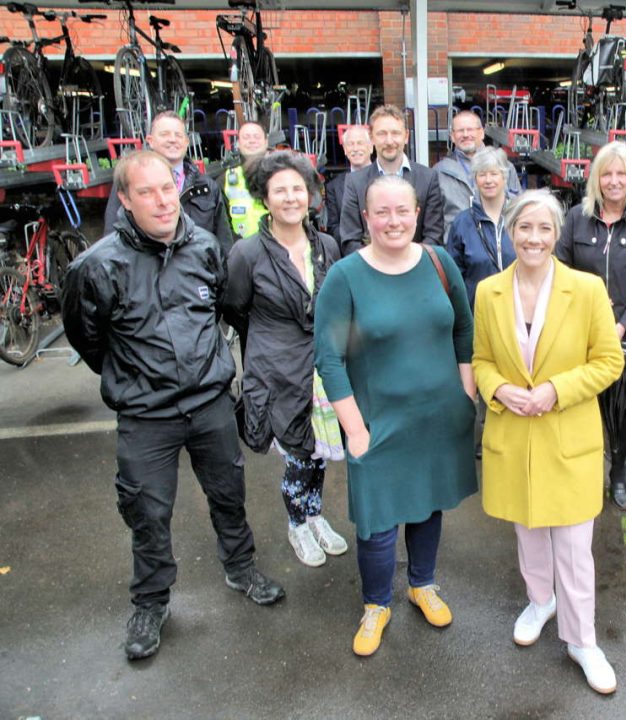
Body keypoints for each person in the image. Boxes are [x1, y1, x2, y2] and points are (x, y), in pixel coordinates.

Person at [61, 150, 285, 662]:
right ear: (125, 200)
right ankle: (151, 602)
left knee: (229, 492)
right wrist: (135, 378)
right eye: (147, 192)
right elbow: (87, 339)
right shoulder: (97, 267)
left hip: (209, 404)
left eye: (167, 188)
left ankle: (240, 567)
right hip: (146, 416)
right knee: (146, 512)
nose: (162, 201)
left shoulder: (206, 246)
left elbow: (225, 310)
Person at [314, 175, 477, 657]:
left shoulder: (437, 261)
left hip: (438, 417)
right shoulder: (345, 276)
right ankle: (376, 604)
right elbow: (329, 359)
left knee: (428, 505)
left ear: (417, 214)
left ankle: (422, 584)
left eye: (402, 211)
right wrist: (356, 430)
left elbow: (463, 330)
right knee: (378, 522)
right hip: (378, 423)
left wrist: (465, 394)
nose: (393, 221)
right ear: (366, 218)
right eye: (381, 212)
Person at [473, 189, 625, 695]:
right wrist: (500, 389)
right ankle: (541, 601)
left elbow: (609, 361)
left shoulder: (585, 289)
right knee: (528, 533)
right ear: (510, 232)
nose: (533, 238)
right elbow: (481, 362)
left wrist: (556, 391)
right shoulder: (489, 291)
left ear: (557, 234)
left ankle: (582, 640)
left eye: (543, 229)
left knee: (576, 549)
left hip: (568, 438)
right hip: (514, 437)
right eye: (524, 228)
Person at [223, 150, 347, 568]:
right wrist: (268, 344)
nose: (291, 197)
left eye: (298, 188)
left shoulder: (327, 245)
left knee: (318, 453)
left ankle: (315, 514)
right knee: (296, 457)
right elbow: (236, 309)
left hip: (321, 371)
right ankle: (297, 522)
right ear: (265, 197)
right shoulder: (247, 252)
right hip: (277, 373)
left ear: (311, 194)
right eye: (280, 190)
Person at [556, 140, 626, 511]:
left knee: (620, 411)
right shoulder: (576, 217)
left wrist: (619, 326)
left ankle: (617, 474)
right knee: (578, 405)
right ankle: (580, 473)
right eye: (607, 173)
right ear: (596, 179)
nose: (614, 181)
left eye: (621, 173)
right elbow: (561, 271)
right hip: (580, 334)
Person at [103, 111, 232, 252]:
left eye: (178, 135)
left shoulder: (207, 187)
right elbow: (112, 239)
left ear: (186, 142)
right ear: (150, 141)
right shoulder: (131, 182)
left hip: (196, 271)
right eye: (165, 134)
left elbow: (223, 244)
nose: (172, 139)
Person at [337, 104, 444, 254]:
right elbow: (349, 240)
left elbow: (434, 236)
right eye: (382, 134)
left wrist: (407, 263)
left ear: (406, 136)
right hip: (371, 273)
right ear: (372, 137)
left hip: (416, 270)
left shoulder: (428, 178)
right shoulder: (355, 182)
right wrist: (380, 264)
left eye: (395, 133)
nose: (389, 141)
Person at [445, 146, 516, 307]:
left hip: (517, 313)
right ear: (475, 179)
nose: (488, 180)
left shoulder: (520, 219)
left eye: (494, 173)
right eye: (482, 174)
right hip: (476, 313)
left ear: (504, 177)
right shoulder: (462, 223)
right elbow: (454, 279)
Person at [435, 109, 521, 237]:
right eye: (460, 131)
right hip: (458, 247)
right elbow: (435, 219)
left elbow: (518, 208)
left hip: (500, 244)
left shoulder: (505, 167)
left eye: (470, 129)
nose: (465, 134)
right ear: (452, 136)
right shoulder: (439, 171)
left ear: (481, 132)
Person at [324, 124, 373, 241]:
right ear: (345, 150)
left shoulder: (386, 178)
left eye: (360, 143)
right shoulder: (333, 186)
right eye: (351, 144)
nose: (355, 148)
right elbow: (333, 227)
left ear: (371, 147)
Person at [223, 121, 271, 240]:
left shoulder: (282, 173)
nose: (252, 141)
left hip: (278, 247)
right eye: (246, 137)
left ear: (266, 142)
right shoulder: (227, 178)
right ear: (238, 143)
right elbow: (222, 223)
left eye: (256, 137)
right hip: (241, 250)